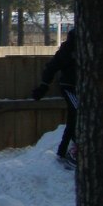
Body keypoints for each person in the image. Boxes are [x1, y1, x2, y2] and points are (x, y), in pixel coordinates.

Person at [32, 27, 77, 167]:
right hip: (70, 86)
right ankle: (71, 152)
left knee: (74, 118)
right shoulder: (68, 49)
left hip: (81, 87)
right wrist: (44, 86)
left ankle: (63, 152)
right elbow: (52, 67)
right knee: (79, 114)